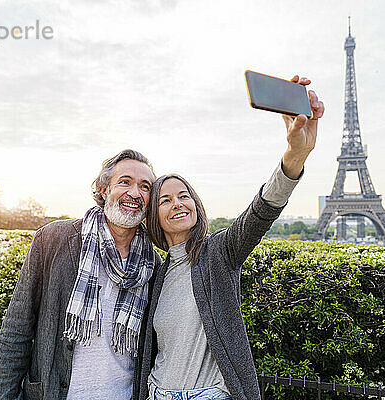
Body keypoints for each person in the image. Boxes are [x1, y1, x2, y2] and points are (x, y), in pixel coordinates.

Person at [134, 76, 325, 400]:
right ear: (155, 216)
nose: (177, 203)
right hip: (157, 393)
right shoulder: (156, 271)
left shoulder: (218, 252)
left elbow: (261, 211)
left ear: (196, 203)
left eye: (184, 195)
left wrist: (295, 156)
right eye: (165, 200)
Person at [0, 149, 162, 400]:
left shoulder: (153, 262)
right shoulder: (54, 239)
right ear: (104, 190)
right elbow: (18, 325)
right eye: (124, 182)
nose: (134, 193)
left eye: (144, 187)